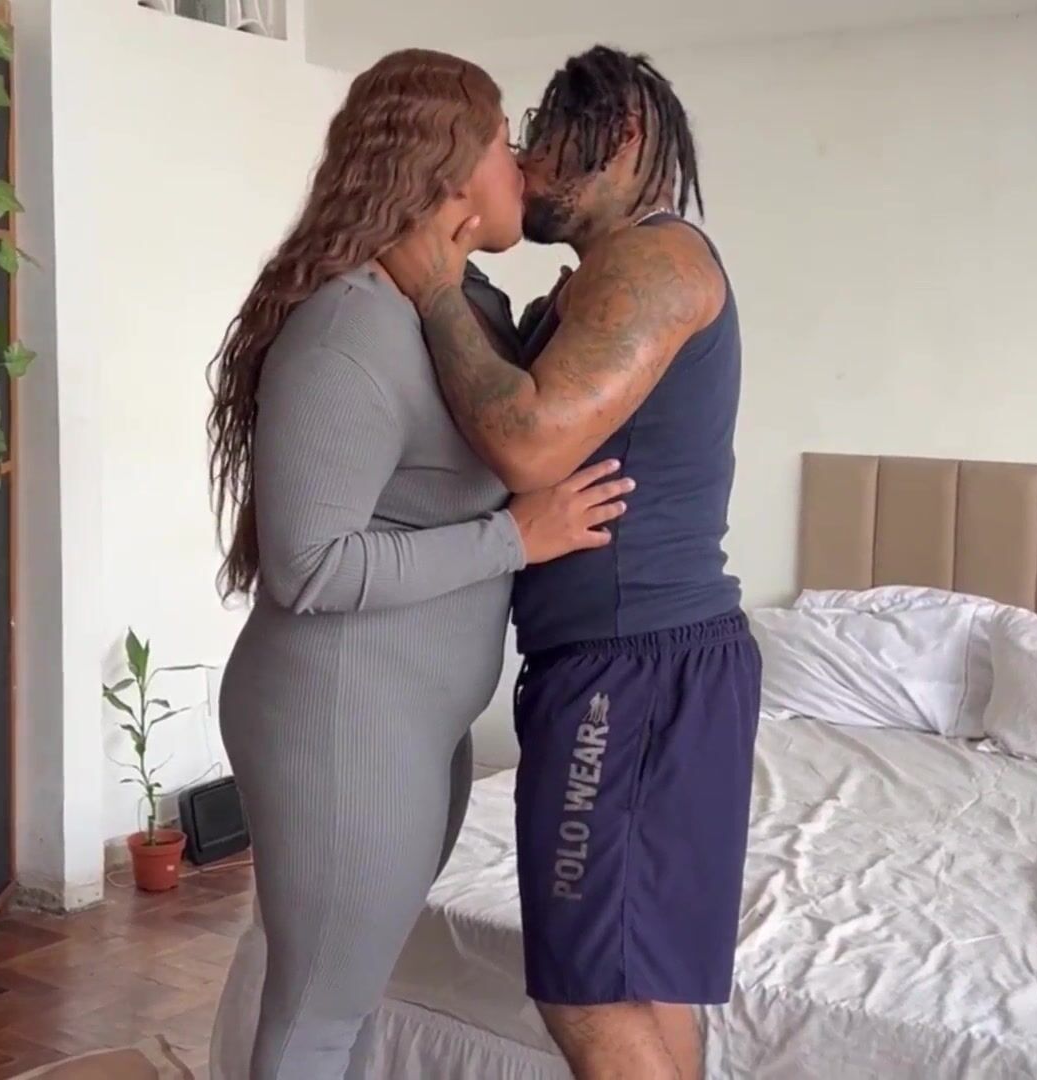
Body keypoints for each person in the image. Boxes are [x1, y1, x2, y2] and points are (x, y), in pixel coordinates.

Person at [204, 49, 635, 1080]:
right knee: (317, 1011)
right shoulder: (350, 328)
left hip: (411, 718)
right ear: (448, 171)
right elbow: (308, 567)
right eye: (503, 141)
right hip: (339, 715)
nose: (521, 162)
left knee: (354, 1001)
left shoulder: (455, 310)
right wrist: (514, 539)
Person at [381, 45, 756, 1080]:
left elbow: (531, 444)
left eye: (546, 136)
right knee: (639, 982)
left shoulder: (654, 264)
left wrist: (435, 291)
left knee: (588, 994)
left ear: (622, 138)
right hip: (645, 662)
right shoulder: (616, 273)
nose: (527, 161)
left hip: (629, 668)